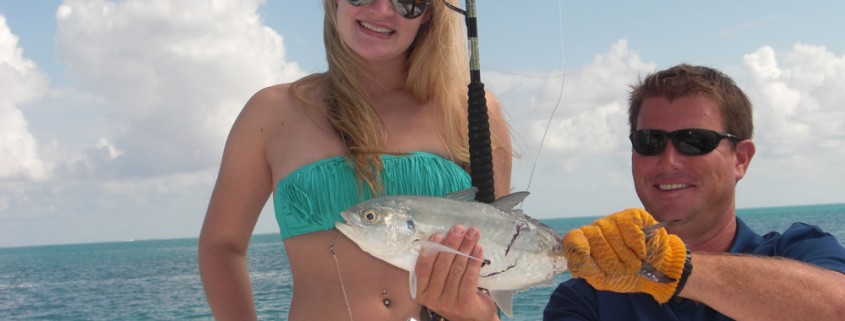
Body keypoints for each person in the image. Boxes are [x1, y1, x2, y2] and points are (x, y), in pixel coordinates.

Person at [198, 0, 511, 320]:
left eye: (407, 2)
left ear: (429, 14)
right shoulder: (271, 112)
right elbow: (222, 246)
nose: (382, 9)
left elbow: (497, 273)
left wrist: (472, 311)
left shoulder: (475, 111)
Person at [544, 64, 845, 320]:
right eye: (650, 141)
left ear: (741, 159)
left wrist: (672, 268)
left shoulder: (802, 252)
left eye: (695, 140)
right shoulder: (586, 298)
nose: (669, 161)